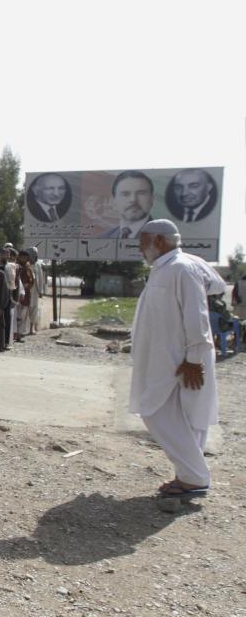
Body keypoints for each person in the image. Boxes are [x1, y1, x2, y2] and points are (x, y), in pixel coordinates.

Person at [130, 219, 218, 497]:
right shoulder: (167, 267)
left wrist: (193, 358)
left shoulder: (182, 268)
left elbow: (197, 315)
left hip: (183, 360)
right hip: (168, 358)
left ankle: (194, 476)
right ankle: (188, 475)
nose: (140, 248)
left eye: (142, 242)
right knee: (186, 417)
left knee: (157, 411)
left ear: (158, 240)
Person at [103, 170, 154, 238]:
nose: (133, 200)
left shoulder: (165, 237)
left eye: (141, 193)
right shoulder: (104, 238)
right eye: (125, 194)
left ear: (152, 199)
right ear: (113, 202)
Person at [15, 249, 37, 341]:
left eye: (25, 257)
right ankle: (14, 333)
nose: (23, 259)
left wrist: (27, 286)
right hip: (15, 294)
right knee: (15, 315)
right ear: (19, 257)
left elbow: (31, 281)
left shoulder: (28, 268)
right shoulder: (15, 266)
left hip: (26, 295)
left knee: (23, 315)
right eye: (21, 257)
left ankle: (20, 334)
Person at [2, 247, 20, 349]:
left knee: (8, 319)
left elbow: (16, 283)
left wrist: (15, 298)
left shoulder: (13, 266)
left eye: (8, 254)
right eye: (4, 253)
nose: (6, 256)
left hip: (9, 296)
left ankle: (7, 342)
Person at [30, 247, 47, 332]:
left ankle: (31, 328)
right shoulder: (25, 264)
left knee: (34, 308)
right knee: (26, 309)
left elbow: (40, 279)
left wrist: (41, 291)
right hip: (27, 290)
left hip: (35, 291)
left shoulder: (38, 265)